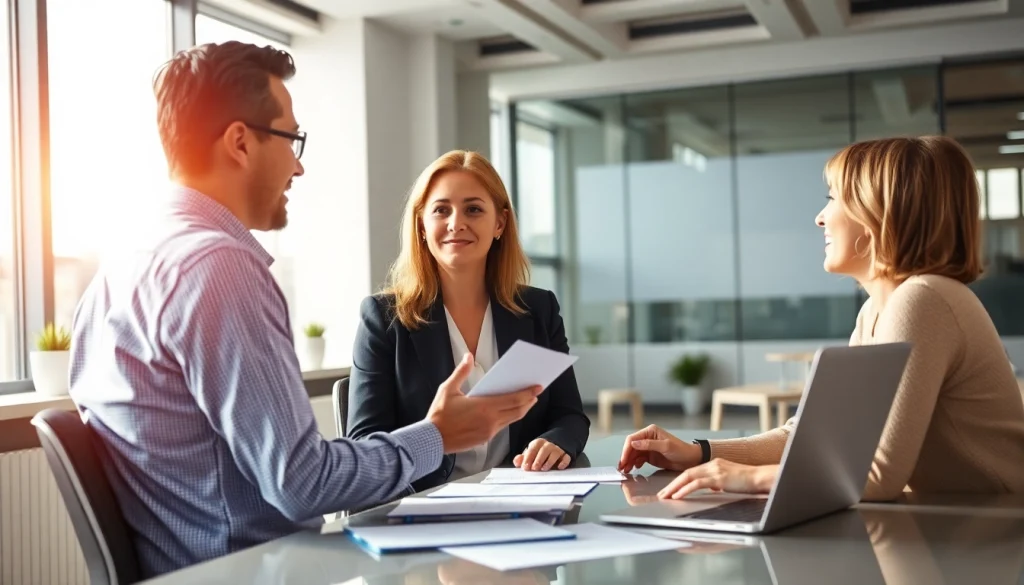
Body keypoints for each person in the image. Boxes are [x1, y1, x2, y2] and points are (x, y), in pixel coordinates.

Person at [68, 43, 541, 578]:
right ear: (240, 142)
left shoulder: (120, 265)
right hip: (254, 569)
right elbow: (302, 485)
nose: (298, 165)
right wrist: (437, 435)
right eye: (292, 138)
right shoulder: (218, 268)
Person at [618, 136, 1024, 502]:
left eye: (833, 199)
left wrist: (751, 477)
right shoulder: (878, 311)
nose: (820, 217)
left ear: (877, 214)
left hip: (1002, 528)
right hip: (966, 523)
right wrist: (701, 452)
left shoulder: (924, 300)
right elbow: (812, 433)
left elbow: (876, 475)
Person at [347, 150, 590, 490]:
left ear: (500, 223)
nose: (456, 223)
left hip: (521, 499)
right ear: (421, 225)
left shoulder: (539, 310)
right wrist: (433, 436)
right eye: (441, 210)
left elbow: (570, 415)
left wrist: (556, 442)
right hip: (425, 506)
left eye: (473, 209)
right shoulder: (384, 318)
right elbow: (364, 443)